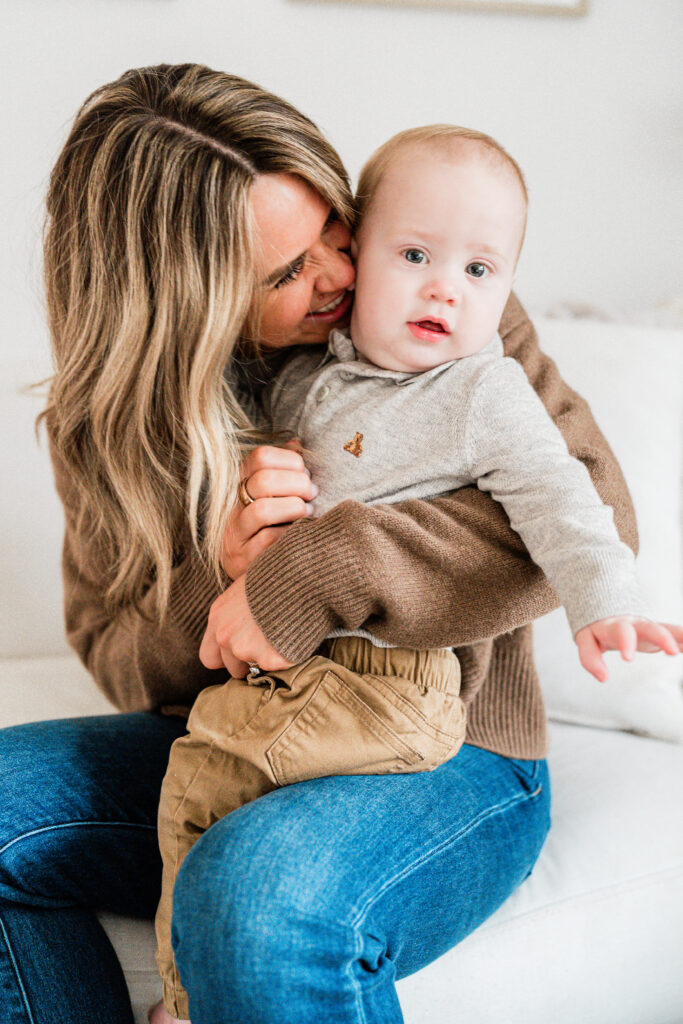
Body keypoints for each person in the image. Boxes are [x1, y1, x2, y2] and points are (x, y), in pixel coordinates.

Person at [1, 63, 678, 1024]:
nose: (340, 276)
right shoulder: (113, 419)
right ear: (183, 303)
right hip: (237, 726)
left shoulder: (441, 304)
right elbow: (116, 651)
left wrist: (318, 568)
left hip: (450, 751)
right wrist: (220, 575)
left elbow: (588, 510)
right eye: (285, 272)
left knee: (254, 897)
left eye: (334, 230)